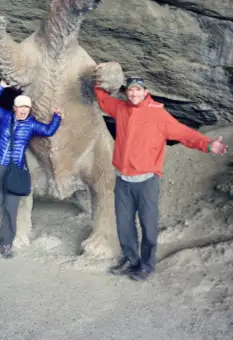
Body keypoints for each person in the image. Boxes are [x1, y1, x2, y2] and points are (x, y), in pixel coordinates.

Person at [95, 71, 228, 281]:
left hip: (147, 180)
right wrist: (94, 83)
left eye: (138, 90)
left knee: (148, 224)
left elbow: (184, 133)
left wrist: (208, 144)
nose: (133, 94)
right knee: (123, 223)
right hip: (123, 179)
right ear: (126, 92)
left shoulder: (158, 114)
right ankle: (131, 259)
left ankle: (146, 265)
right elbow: (103, 100)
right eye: (130, 90)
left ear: (146, 92)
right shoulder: (120, 109)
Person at [0, 80, 63, 258]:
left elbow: (49, 131)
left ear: (29, 110)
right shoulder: (5, 117)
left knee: (11, 209)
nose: (22, 110)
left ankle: (6, 244)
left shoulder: (32, 125)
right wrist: (0, 87)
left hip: (16, 169)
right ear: (14, 108)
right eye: (19, 107)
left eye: (26, 108)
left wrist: (57, 117)